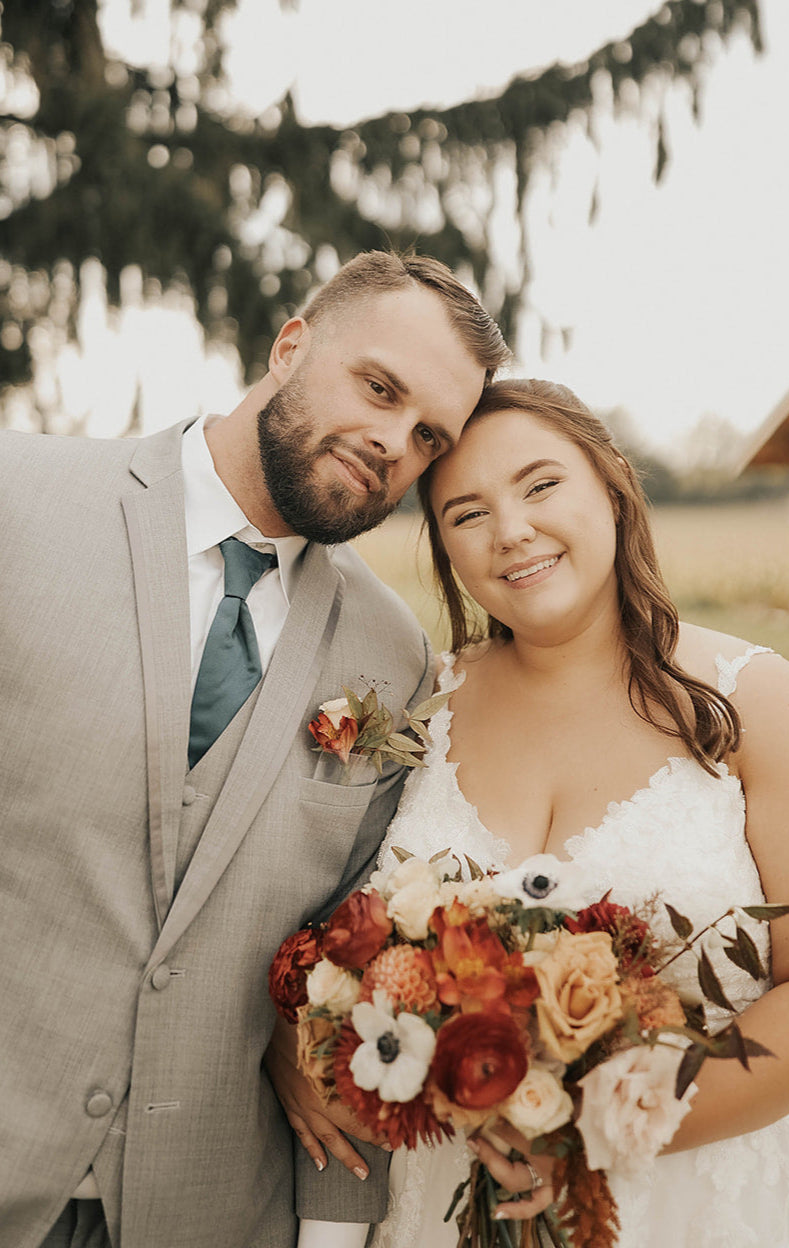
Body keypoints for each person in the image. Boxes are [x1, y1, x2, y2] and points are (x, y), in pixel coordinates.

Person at [0, 250, 510, 1248]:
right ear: (289, 347)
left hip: (207, 1211)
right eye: (376, 387)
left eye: (425, 436)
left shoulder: (391, 659)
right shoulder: (17, 500)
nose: (389, 444)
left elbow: (352, 968)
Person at [294, 378, 789, 1247]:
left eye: (541, 486)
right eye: (467, 514)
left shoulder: (751, 702)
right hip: (443, 1201)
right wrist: (306, 1046)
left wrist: (594, 1134)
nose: (511, 531)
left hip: (694, 1201)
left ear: (612, 486)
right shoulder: (422, 706)